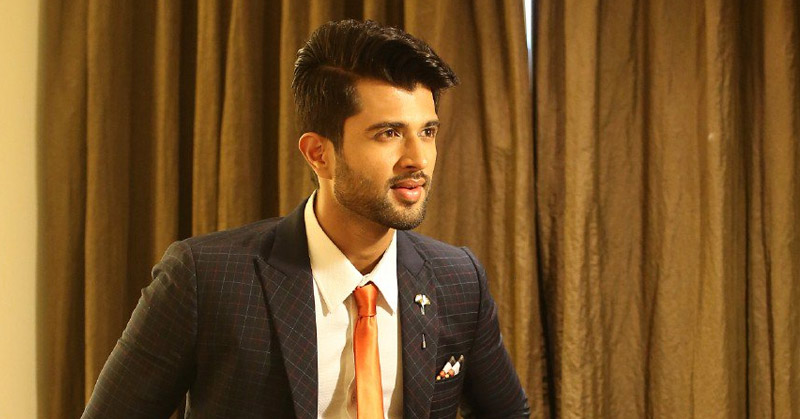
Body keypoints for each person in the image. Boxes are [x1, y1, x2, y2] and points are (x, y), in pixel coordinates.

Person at [83, 19, 529, 418]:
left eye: (427, 132)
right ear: (319, 154)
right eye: (389, 133)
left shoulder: (458, 280)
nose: (418, 159)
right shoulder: (204, 278)